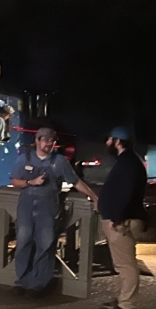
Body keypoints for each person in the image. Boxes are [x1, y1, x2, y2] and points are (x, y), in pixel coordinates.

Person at [9, 126, 98, 298]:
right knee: (23, 244)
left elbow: (75, 182)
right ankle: (22, 282)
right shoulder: (24, 159)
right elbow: (15, 181)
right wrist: (31, 182)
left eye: (52, 141)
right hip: (26, 208)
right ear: (37, 140)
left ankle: (37, 285)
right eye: (46, 140)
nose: (49, 144)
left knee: (45, 246)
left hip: (48, 209)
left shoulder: (60, 161)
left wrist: (93, 197)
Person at [97, 127, 148, 309]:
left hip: (123, 221)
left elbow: (126, 192)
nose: (107, 143)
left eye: (109, 139)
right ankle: (123, 299)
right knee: (123, 263)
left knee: (125, 265)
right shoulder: (129, 161)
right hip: (124, 218)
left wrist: (117, 217)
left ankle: (126, 306)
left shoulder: (127, 163)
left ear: (118, 141)